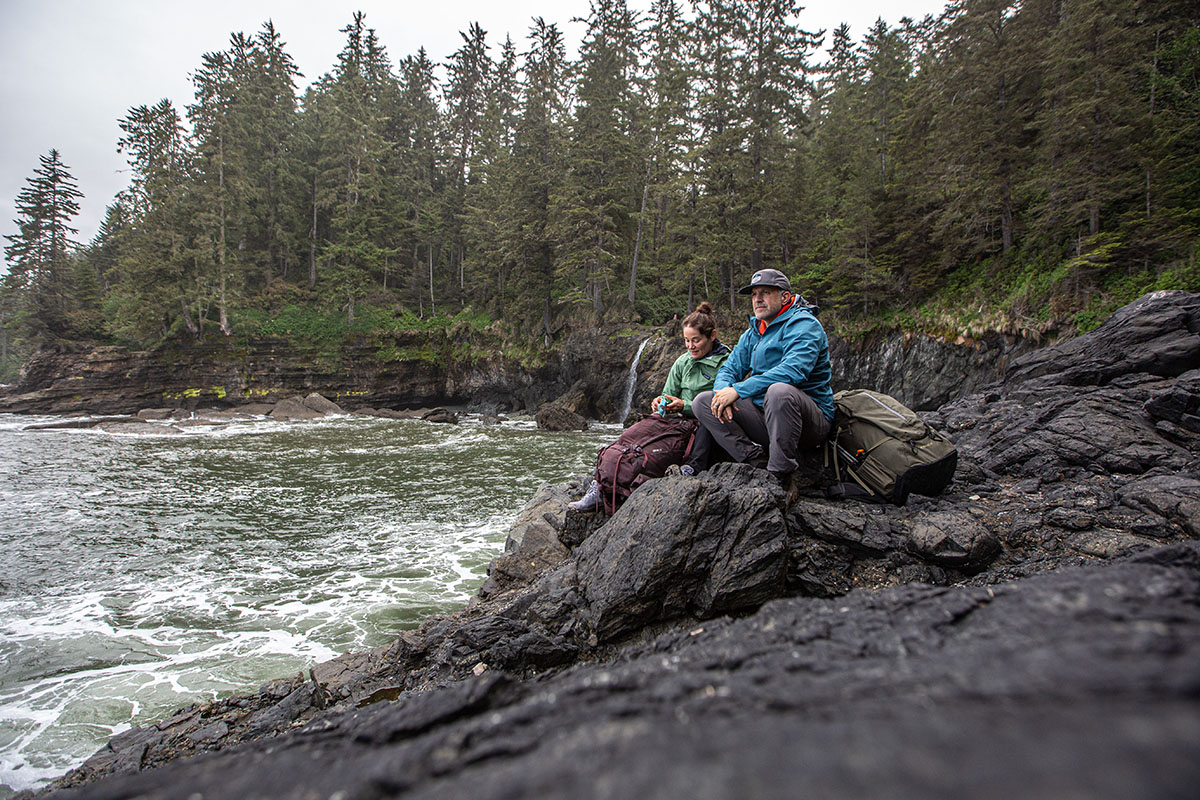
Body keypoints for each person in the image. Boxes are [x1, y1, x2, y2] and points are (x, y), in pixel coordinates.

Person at [569, 303, 731, 512]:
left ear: (712, 336)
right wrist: (661, 402)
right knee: (628, 437)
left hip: (705, 421)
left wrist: (686, 405)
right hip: (674, 419)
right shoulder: (683, 361)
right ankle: (598, 485)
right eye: (686, 341)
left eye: (696, 340)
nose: (690, 346)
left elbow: (722, 400)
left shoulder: (726, 362)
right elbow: (668, 393)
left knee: (663, 446)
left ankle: (691, 469)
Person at [692, 268, 834, 486]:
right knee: (703, 401)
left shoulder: (805, 325)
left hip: (809, 423)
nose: (757, 299)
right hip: (765, 417)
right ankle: (755, 462)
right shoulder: (754, 331)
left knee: (779, 391)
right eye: (754, 294)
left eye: (765, 293)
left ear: (785, 296)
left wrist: (739, 391)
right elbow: (729, 369)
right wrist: (723, 394)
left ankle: (781, 474)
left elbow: (793, 371)